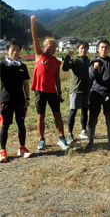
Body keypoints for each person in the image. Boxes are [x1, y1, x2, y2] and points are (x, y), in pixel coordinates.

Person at [30, 15, 69, 151]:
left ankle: (62, 138)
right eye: (50, 46)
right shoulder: (39, 55)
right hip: (39, 91)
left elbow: (57, 78)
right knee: (41, 116)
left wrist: (60, 92)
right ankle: (41, 140)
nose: (52, 49)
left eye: (54, 47)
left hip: (52, 92)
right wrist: (32, 23)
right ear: (45, 46)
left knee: (57, 115)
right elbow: (35, 38)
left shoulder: (57, 62)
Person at [0, 39, 32, 163]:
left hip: (20, 100)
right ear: (8, 51)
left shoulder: (22, 66)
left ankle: (22, 148)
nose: (15, 52)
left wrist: (27, 98)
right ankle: (3, 150)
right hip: (6, 100)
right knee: (4, 126)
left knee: (21, 124)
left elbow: (25, 83)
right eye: (12, 50)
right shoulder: (2, 65)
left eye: (17, 50)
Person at [86, 39, 110, 150]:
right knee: (92, 118)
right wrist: (95, 68)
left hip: (108, 94)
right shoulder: (93, 61)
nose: (104, 49)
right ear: (98, 49)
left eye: (106, 47)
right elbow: (91, 77)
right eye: (101, 47)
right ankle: (90, 142)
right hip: (95, 93)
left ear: (109, 49)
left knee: (109, 119)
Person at [62, 41, 90, 144]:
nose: (84, 50)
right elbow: (65, 68)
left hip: (86, 90)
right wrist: (68, 57)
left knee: (84, 110)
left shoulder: (88, 61)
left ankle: (84, 131)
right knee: (73, 111)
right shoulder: (74, 60)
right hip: (76, 90)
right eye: (82, 48)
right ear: (78, 49)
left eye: (85, 48)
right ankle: (70, 134)